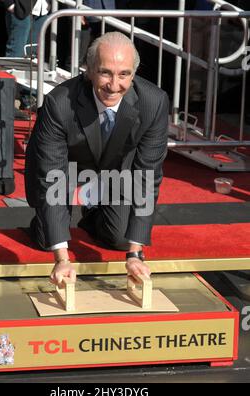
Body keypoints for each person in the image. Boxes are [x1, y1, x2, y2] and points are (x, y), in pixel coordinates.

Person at [25, 32, 169, 285]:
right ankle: (45, 220)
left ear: (134, 74)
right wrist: (62, 258)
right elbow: (51, 176)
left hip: (113, 169)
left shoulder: (153, 102)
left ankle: (93, 216)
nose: (114, 85)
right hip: (64, 168)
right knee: (46, 237)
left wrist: (135, 253)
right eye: (105, 73)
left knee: (120, 238)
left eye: (124, 74)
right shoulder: (59, 103)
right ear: (89, 70)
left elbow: (148, 175)